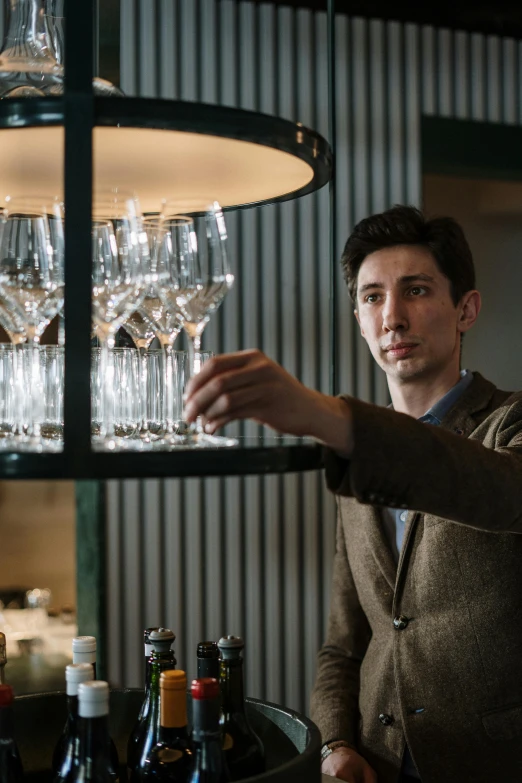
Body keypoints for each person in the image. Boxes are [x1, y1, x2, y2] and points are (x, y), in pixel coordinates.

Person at [183, 205, 522, 783]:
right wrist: (335, 744)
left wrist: (332, 416)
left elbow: (502, 493)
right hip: (375, 764)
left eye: (416, 290)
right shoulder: (355, 458)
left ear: (466, 309)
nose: (393, 317)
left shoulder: (509, 423)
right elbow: (345, 643)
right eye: (372, 297)